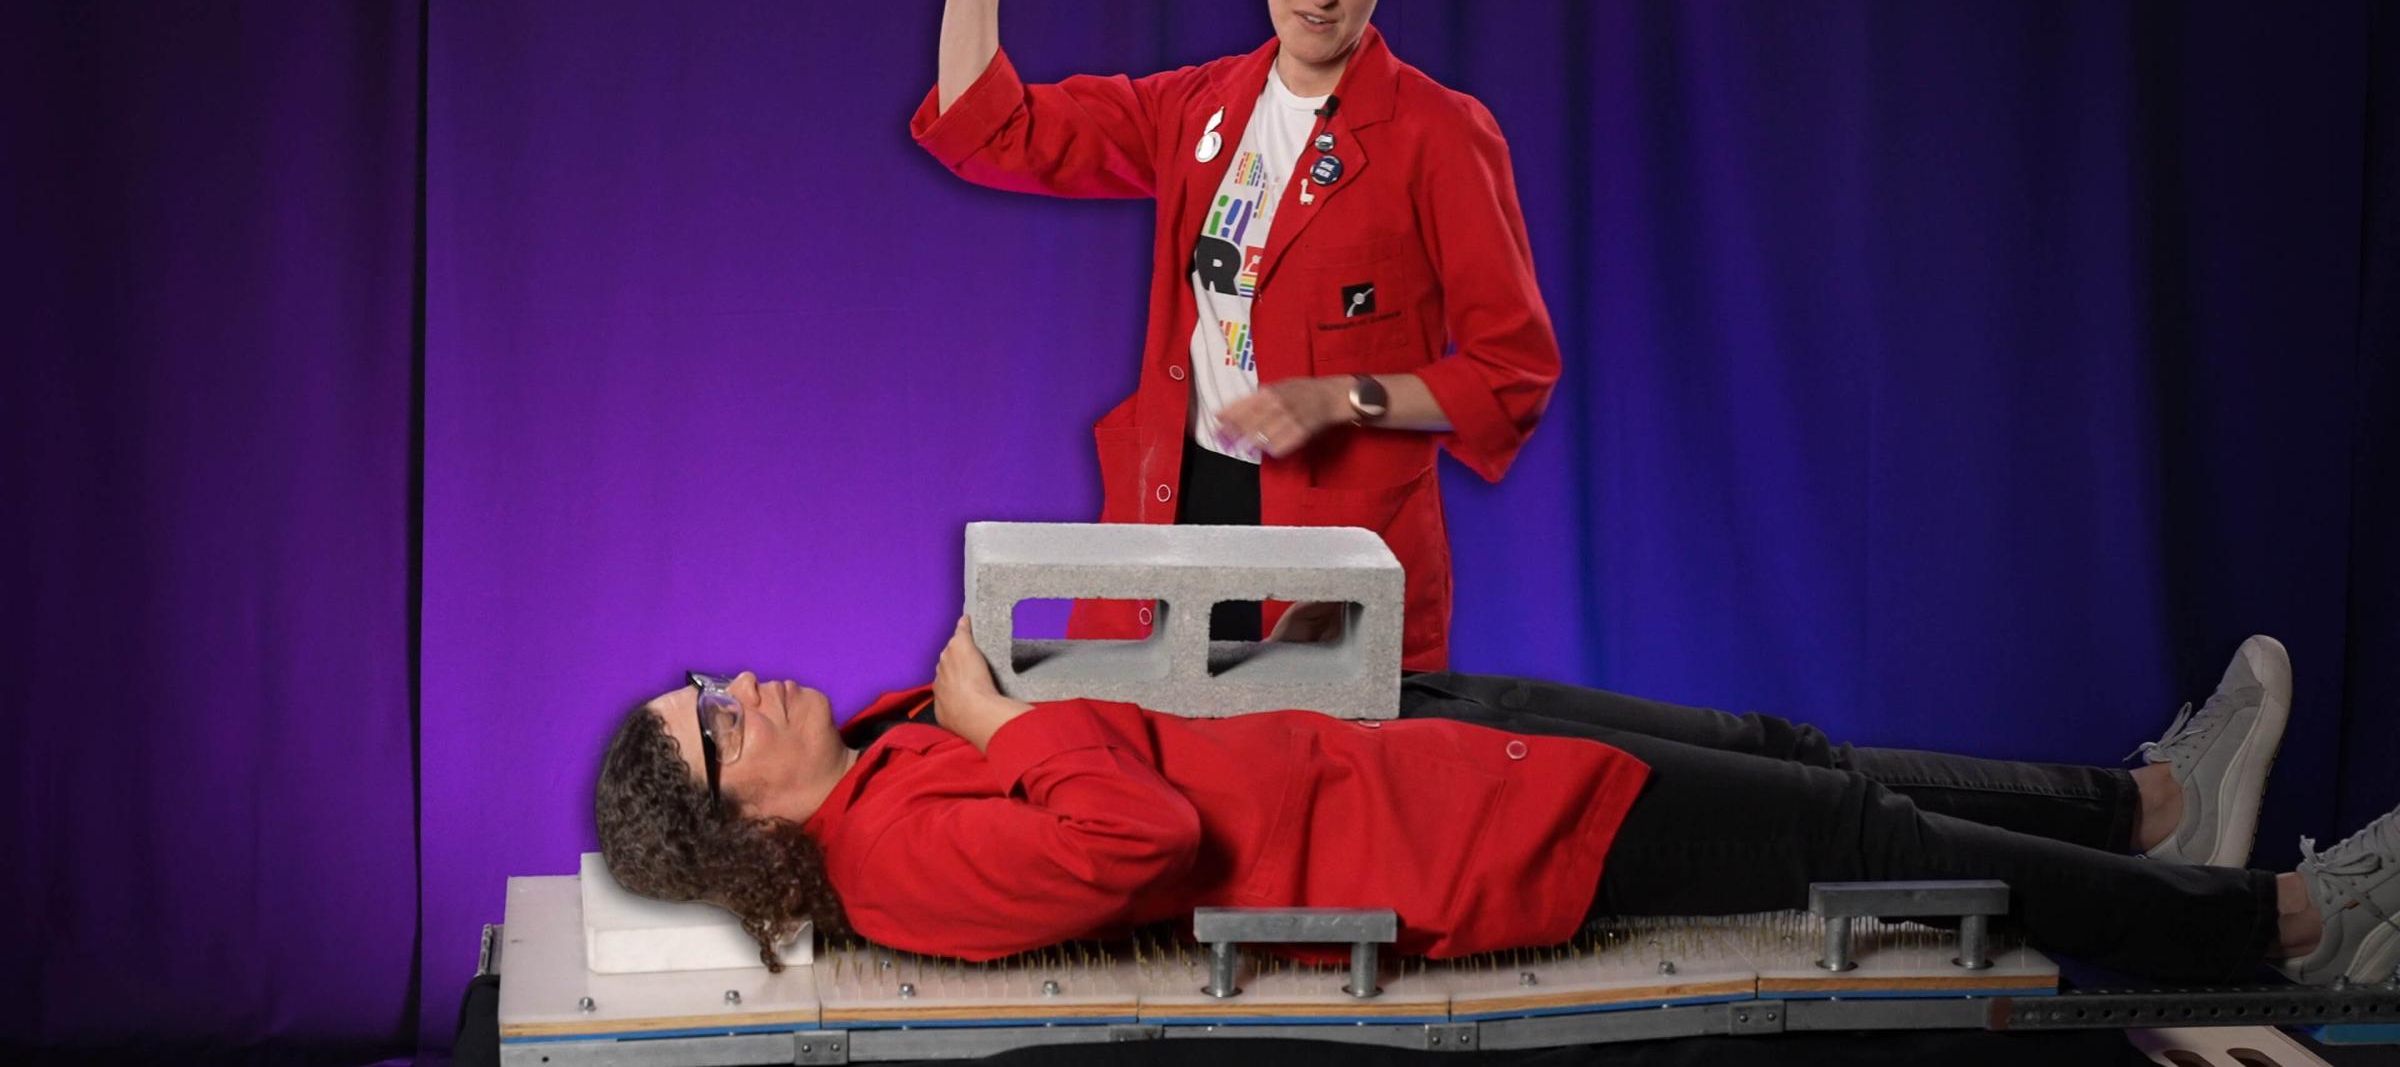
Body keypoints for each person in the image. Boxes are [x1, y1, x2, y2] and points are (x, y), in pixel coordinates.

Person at [595, 625, 2399, 992]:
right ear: (740, 826)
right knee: (1875, 846)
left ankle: (2158, 805)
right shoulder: (896, 853)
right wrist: (1015, 709)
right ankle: (2279, 930)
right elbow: (1127, 842)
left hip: (1399, 745)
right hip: (1467, 840)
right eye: (709, 727)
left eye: (705, 682)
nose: (734, 686)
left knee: (1802, 757)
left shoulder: (891, 752)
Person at [912, 0, 1558, 668]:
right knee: (1127, 773)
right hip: (1172, 509)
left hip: (1334, 549)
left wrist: (1342, 398)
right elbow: (991, 130)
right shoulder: (1196, 108)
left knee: (1312, 791)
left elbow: (1510, 375)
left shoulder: (1443, 136)